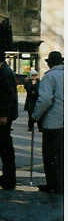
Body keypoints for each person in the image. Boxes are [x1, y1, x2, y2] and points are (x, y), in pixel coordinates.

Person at [31, 51, 63, 193]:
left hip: (53, 122)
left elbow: (45, 100)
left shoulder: (49, 77)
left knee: (50, 155)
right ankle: (62, 183)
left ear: (50, 63)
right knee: (62, 156)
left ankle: (53, 184)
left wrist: (35, 116)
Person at [0, 45, 18, 189]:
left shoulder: (5, 73)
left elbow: (9, 97)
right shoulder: (0, 71)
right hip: (1, 115)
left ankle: (9, 177)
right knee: (4, 146)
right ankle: (6, 175)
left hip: (4, 116)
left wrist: (4, 115)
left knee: (6, 147)